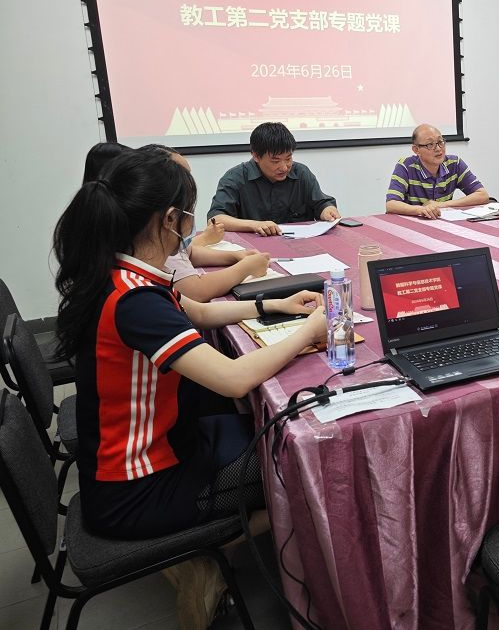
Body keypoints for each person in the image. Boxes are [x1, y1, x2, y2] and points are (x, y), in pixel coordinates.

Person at [53, 150, 326, 628]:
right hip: (137, 491)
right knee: (310, 471)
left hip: (154, 452)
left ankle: (214, 549)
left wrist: (275, 306)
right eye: (188, 215)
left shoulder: (123, 274)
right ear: (168, 220)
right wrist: (311, 330)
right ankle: (207, 554)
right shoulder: (135, 301)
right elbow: (235, 377)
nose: (191, 226)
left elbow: (198, 312)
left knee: (273, 438)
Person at [83, 142, 272, 302]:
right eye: (180, 174)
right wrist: (245, 268)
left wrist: (235, 256)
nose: (187, 181)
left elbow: (188, 252)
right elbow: (197, 293)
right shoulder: (155, 241)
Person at [208, 122, 340, 235]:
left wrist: (327, 210)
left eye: (288, 158)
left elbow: (321, 203)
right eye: (275, 161)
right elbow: (216, 219)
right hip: (252, 249)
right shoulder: (235, 178)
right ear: (256, 156)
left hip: (298, 244)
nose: (284, 167)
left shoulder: (301, 173)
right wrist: (255, 225)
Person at [385, 124, 489, 218]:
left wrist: (441, 205)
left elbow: (482, 195)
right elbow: (391, 204)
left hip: (442, 223)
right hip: (413, 225)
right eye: (430, 144)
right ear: (416, 150)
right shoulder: (406, 166)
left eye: (440, 142)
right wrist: (422, 210)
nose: (438, 149)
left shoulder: (454, 163)